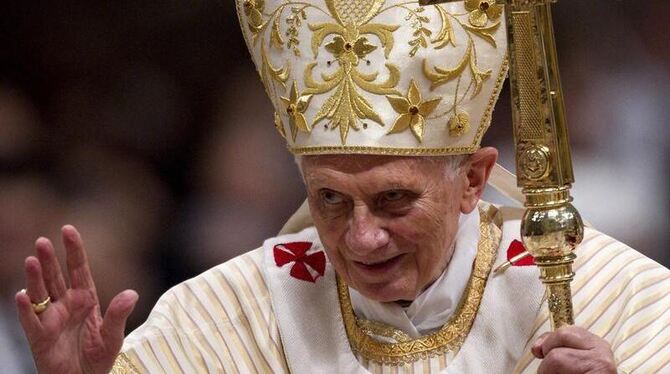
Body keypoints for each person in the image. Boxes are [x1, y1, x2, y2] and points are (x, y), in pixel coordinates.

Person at [16, 1, 670, 373]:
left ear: (472, 180)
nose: (360, 237)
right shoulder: (235, 315)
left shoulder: (606, 297)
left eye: (394, 201)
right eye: (331, 199)